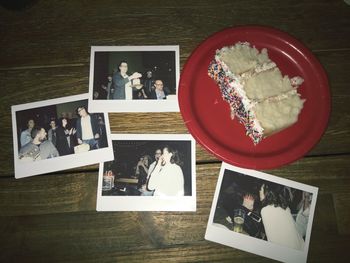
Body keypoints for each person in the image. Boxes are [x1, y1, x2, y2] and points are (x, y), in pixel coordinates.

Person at [259, 183, 305, 250]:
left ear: (266, 193)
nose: (259, 192)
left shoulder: (265, 210)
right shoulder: (285, 207)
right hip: (301, 246)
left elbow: (272, 240)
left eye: (260, 190)